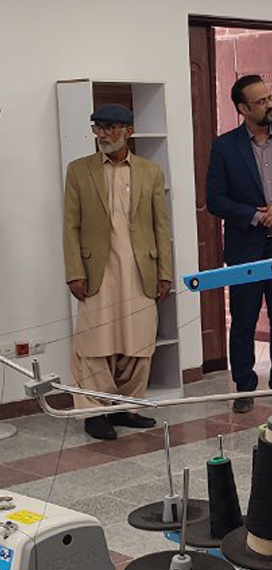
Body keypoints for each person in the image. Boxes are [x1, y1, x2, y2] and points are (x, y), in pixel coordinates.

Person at [63, 104, 173, 440]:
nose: (103, 134)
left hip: (140, 270)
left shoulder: (150, 171)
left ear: (129, 130)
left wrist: (165, 272)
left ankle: (126, 408)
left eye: (111, 127)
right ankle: (94, 413)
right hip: (97, 271)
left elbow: (161, 226)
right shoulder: (79, 170)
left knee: (138, 342)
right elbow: (70, 226)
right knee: (95, 342)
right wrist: (74, 272)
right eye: (98, 127)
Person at [206, 74, 272, 414]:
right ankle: (244, 387)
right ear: (242, 108)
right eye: (261, 101)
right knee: (243, 321)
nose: (270, 104)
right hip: (246, 248)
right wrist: (256, 216)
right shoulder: (224, 147)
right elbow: (215, 200)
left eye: (270, 98)